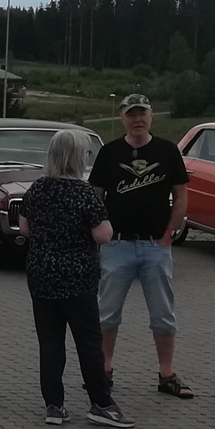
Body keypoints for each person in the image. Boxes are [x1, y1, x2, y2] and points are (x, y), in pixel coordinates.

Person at [19, 128, 131, 428]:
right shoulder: (84, 194)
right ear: (76, 157)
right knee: (88, 342)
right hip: (77, 279)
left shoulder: (37, 188)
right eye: (85, 153)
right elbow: (103, 234)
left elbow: (25, 228)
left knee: (50, 342)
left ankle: (54, 405)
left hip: (41, 275)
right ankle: (101, 403)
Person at [89, 93, 192, 400]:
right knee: (107, 314)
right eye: (131, 114)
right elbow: (95, 198)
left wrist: (169, 234)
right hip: (116, 245)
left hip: (155, 246)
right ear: (122, 118)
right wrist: (101, 234)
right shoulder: (109, 153)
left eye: (142, 113)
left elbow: (181, 197)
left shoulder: (167, 151)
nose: (137, 119)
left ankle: (166, 374)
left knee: (163, 314)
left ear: (150, 116)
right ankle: (103, 371)